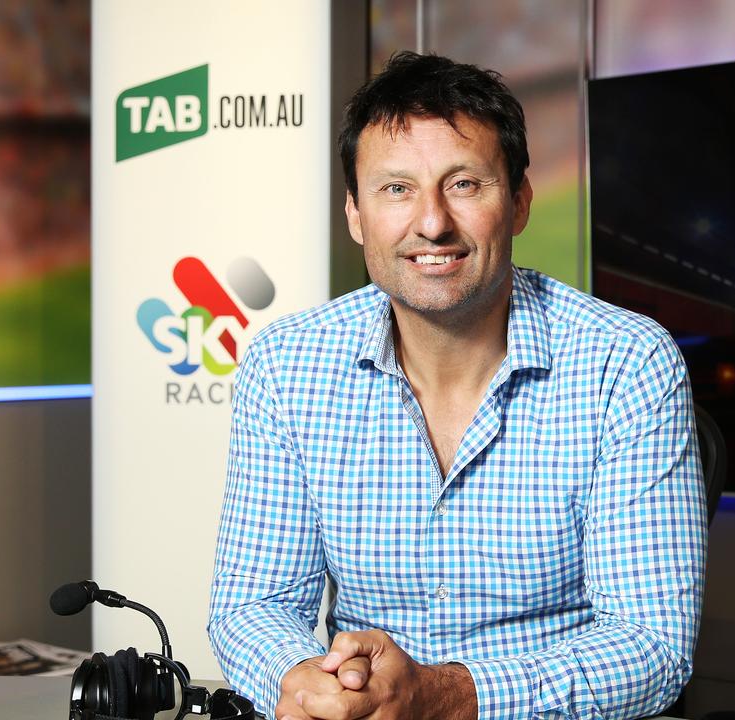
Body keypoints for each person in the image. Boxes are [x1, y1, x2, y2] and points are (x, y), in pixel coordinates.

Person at [208, 51, 707, 720]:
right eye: (396, 189)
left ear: (521, 201)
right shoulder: (284, 365)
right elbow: (255, 604)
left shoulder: (627, 363)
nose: (433, 222)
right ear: (356, 215)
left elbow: (651, 646)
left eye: (465, 184)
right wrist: (308, 681)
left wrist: (444, 697)